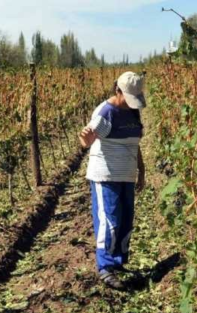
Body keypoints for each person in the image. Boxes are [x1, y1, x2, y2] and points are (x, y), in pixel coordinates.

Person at [78, 71, 146, 290]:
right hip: (105, 175)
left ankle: (118, 261)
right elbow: (87, 140)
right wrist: (85, 137)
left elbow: (134, 143)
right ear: (118, 90)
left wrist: (141, 170)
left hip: (126, 175)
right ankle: (105, 267)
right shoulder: (106, 112)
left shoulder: (133, 112)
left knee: (126, 219)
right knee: (110, 219)